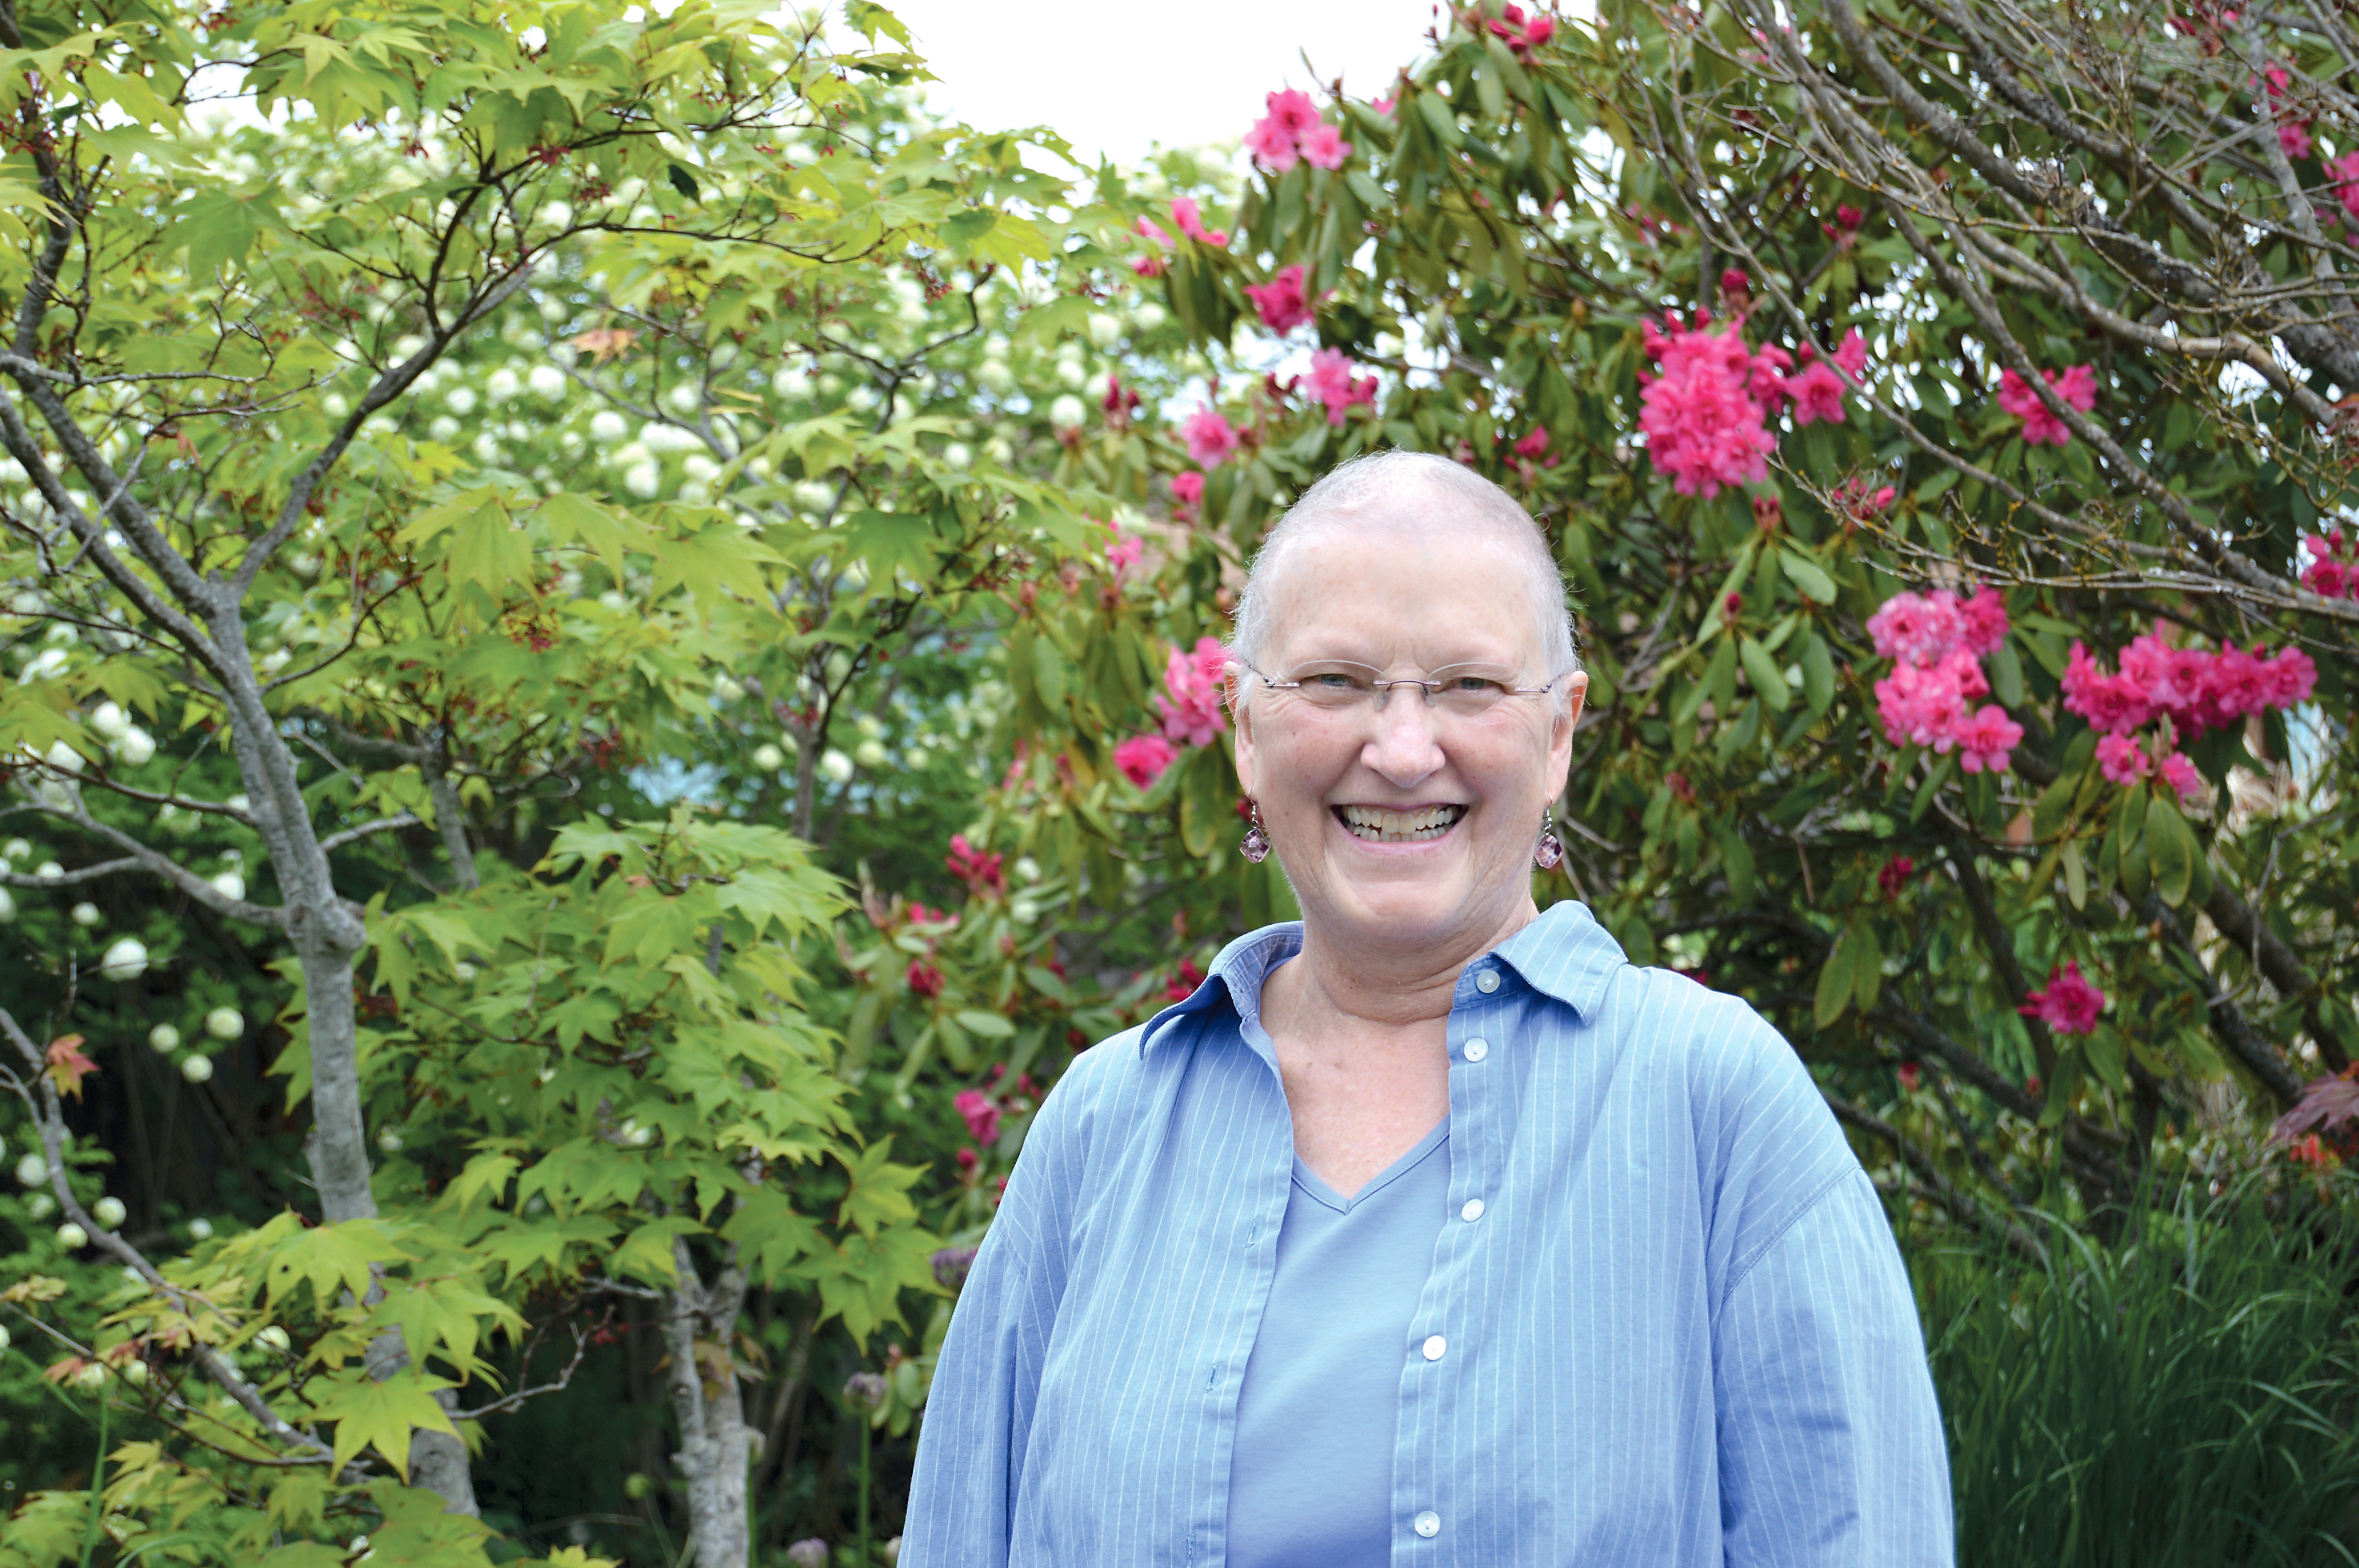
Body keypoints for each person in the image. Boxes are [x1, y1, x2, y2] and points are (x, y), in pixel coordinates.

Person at [903, 450, 1952, 1566]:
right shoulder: (1107, 1125)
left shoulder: (1715, 1107)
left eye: (1469, 686)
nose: (1402, 750)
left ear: (1558, 735)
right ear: (1245, 728)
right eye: (1336, 682)